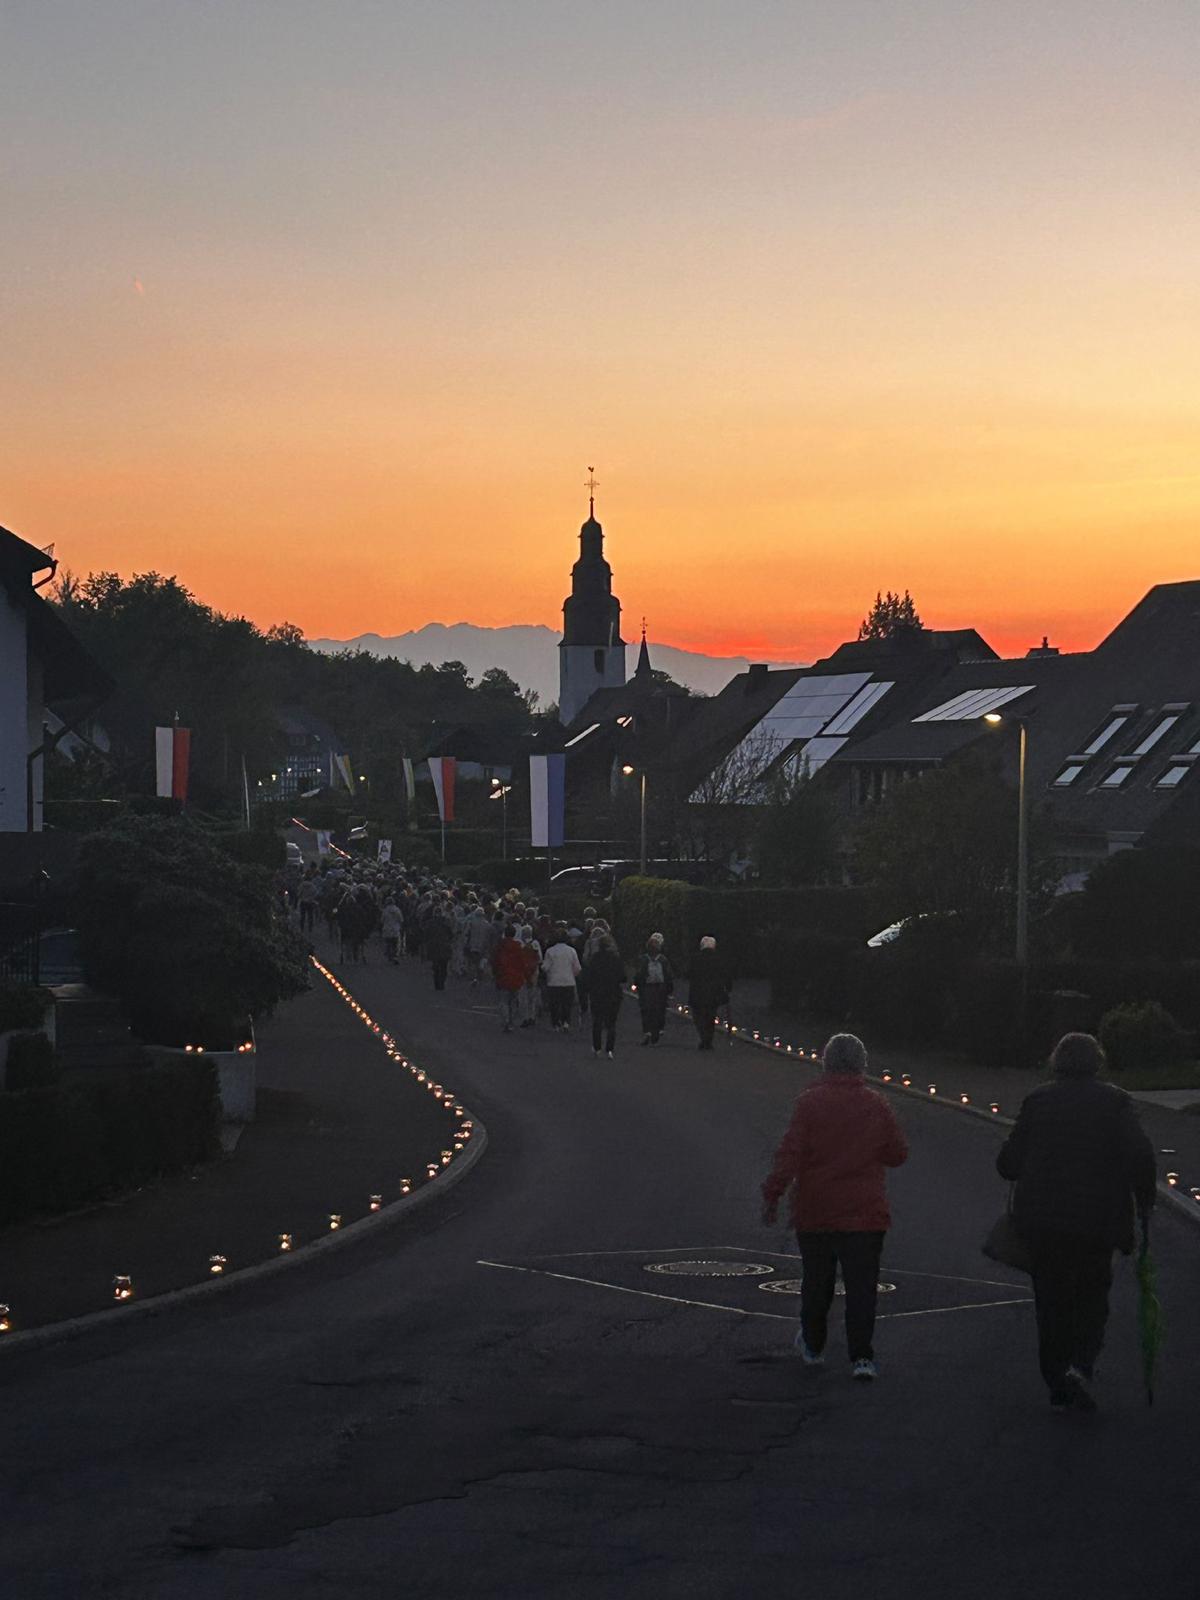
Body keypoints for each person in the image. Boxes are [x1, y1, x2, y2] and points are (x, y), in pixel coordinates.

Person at [997, 1031, 1156, 1414]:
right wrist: (1145, 1206)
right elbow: (1141, 1157)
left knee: (1050, 1302)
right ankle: (1080, 1366)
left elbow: (1008, 1164)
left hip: (1043, 1221)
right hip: (1097, 1222)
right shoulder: (1117, 1102)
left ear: (1057, 1061)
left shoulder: (1038, 1100)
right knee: (1092, 1298)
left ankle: (1055, 1378)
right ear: (1097, 1062)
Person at [761, 1033, 908, 1381]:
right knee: (862, 1286)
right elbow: (898, 1154)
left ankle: (813, 1344)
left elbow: (791, 1153)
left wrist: (773, 1193)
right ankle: (862, 1356)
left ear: (826, 1062)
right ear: (862, 1064)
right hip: (865, 1211)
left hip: (817, 1209)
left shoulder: (810, 1103)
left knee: (816, 1281)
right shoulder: (877, 1104)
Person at [584, 932, 625, 1058]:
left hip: (597, 993)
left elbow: (589, 976)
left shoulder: (595, 959)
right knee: (611, 1022)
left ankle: (597, 1047)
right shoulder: (616, 959)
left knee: (597, 1020)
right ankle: (610, 1049)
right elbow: (623, 977)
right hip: (613, 993)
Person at [688, 935, 729, 1050]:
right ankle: (708, 1039)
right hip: (714, 993)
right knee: (710, 1016)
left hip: (698, 992)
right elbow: (725, 975)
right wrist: (727, 988)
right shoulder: (719, 959)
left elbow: (689, 973)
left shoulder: (695, 958)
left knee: (698, 1016)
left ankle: (703, 1037)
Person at [633, 933, 673, 1045]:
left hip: (646, 987)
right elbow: (668, 975)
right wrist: (669, 989)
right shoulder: (663, 960)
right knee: (659, 1010)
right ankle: (656, 1033)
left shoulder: (643, 959)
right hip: (660, 988)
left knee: (646, 1010)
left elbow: (639, 974)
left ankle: (647, 1031)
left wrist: (637, 984)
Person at [541, 927, 581, 1031]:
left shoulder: (550, 951)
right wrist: (573, 975)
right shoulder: (572, 951)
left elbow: (546, 967)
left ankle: (556, 1023)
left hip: (554, 982)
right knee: (567, 1004)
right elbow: (577, 967)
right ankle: (566, 1022)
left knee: (554, 1004)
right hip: (568, 981)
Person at [492, 923, 527, 1032]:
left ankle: (506, 1021)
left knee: (503, 1001)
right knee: (513, 1001)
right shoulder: (519, 947)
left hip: (503, 976)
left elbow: (495, 961)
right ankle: (512, 1021)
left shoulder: (500, 946)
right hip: (516, 978)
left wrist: (495, 974)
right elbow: (523, 963)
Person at [423, 908, 453, 992]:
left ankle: (437, 984)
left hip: (434, 947)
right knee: (444, 967)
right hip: (444, 946)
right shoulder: (446, 922)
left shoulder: (430, 923)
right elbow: (451, 934)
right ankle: (442, 983)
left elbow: (426, 934)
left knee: (436, 966)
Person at [379, 897, 403, 964]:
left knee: (388, 943)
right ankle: (395, 956)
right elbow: (401, 919)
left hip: (387, 929)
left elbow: (382, 920)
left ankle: (389, 955)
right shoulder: (397, 910)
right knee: (396, 944)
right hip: (395, 929)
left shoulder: (385, 910)